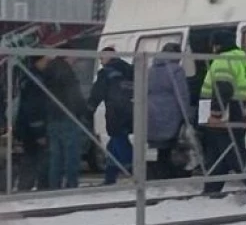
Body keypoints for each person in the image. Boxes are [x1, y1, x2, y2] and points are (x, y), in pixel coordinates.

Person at [200, 31, 246, 206]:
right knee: (217, 153)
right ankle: (210, 191)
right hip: (237, 109)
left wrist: (215, 114)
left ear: (217, 45)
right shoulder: (241, 59)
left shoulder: (223, 59)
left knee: (235, 155)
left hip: (223, 113)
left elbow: (222, 87)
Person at [35, 54, 88, 189]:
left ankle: (55, 185)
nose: (75, 61)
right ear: (67, 57)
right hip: (67, 117)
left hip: (52, 118)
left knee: (56, 156)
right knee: (71, 155)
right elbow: (74, 95)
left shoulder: (47, 71)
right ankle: (71, 184)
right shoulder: (65, 71)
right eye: (73, 58)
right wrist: (82, 111)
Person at [88, 47, 135, 185]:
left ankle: (135, 173)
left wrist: (89, 110)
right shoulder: (129, 70)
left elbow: (97, 94)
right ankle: (110, 176)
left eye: (102, 57)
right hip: (132, 110)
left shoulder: (106, 73)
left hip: (115, 113)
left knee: (120, 142)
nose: (100, 61)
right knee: (113, 146)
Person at [146, 42, 191, 180]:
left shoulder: (151, 70)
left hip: (152, 112)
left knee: (160, 147)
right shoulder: (176, 70)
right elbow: (181, 94)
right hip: (171, 112)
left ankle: (159, 172)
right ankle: (171, 172)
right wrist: (187, 116)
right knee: (172, 145)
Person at [14, 58, 50, 191]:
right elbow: (34, 107)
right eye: (45, 61)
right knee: (34, 160)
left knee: (31, 159)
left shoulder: (28, 77)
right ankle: (30, 189)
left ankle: (26, 188)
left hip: (26, 127)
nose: (48, 63)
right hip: (33, 129)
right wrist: (39, 131)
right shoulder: (35, 80)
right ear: (38, 61)